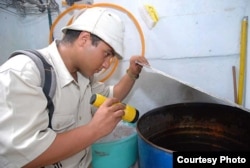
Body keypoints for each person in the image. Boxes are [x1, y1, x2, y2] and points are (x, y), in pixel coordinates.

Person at [0, 7, 148, 168]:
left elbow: (112, 96)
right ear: (84, 39)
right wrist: (94, 130)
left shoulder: (84, 75)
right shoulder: (24, 73)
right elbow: (21, 158)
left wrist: (132, 73)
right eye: (106, 53)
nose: (107, 65)